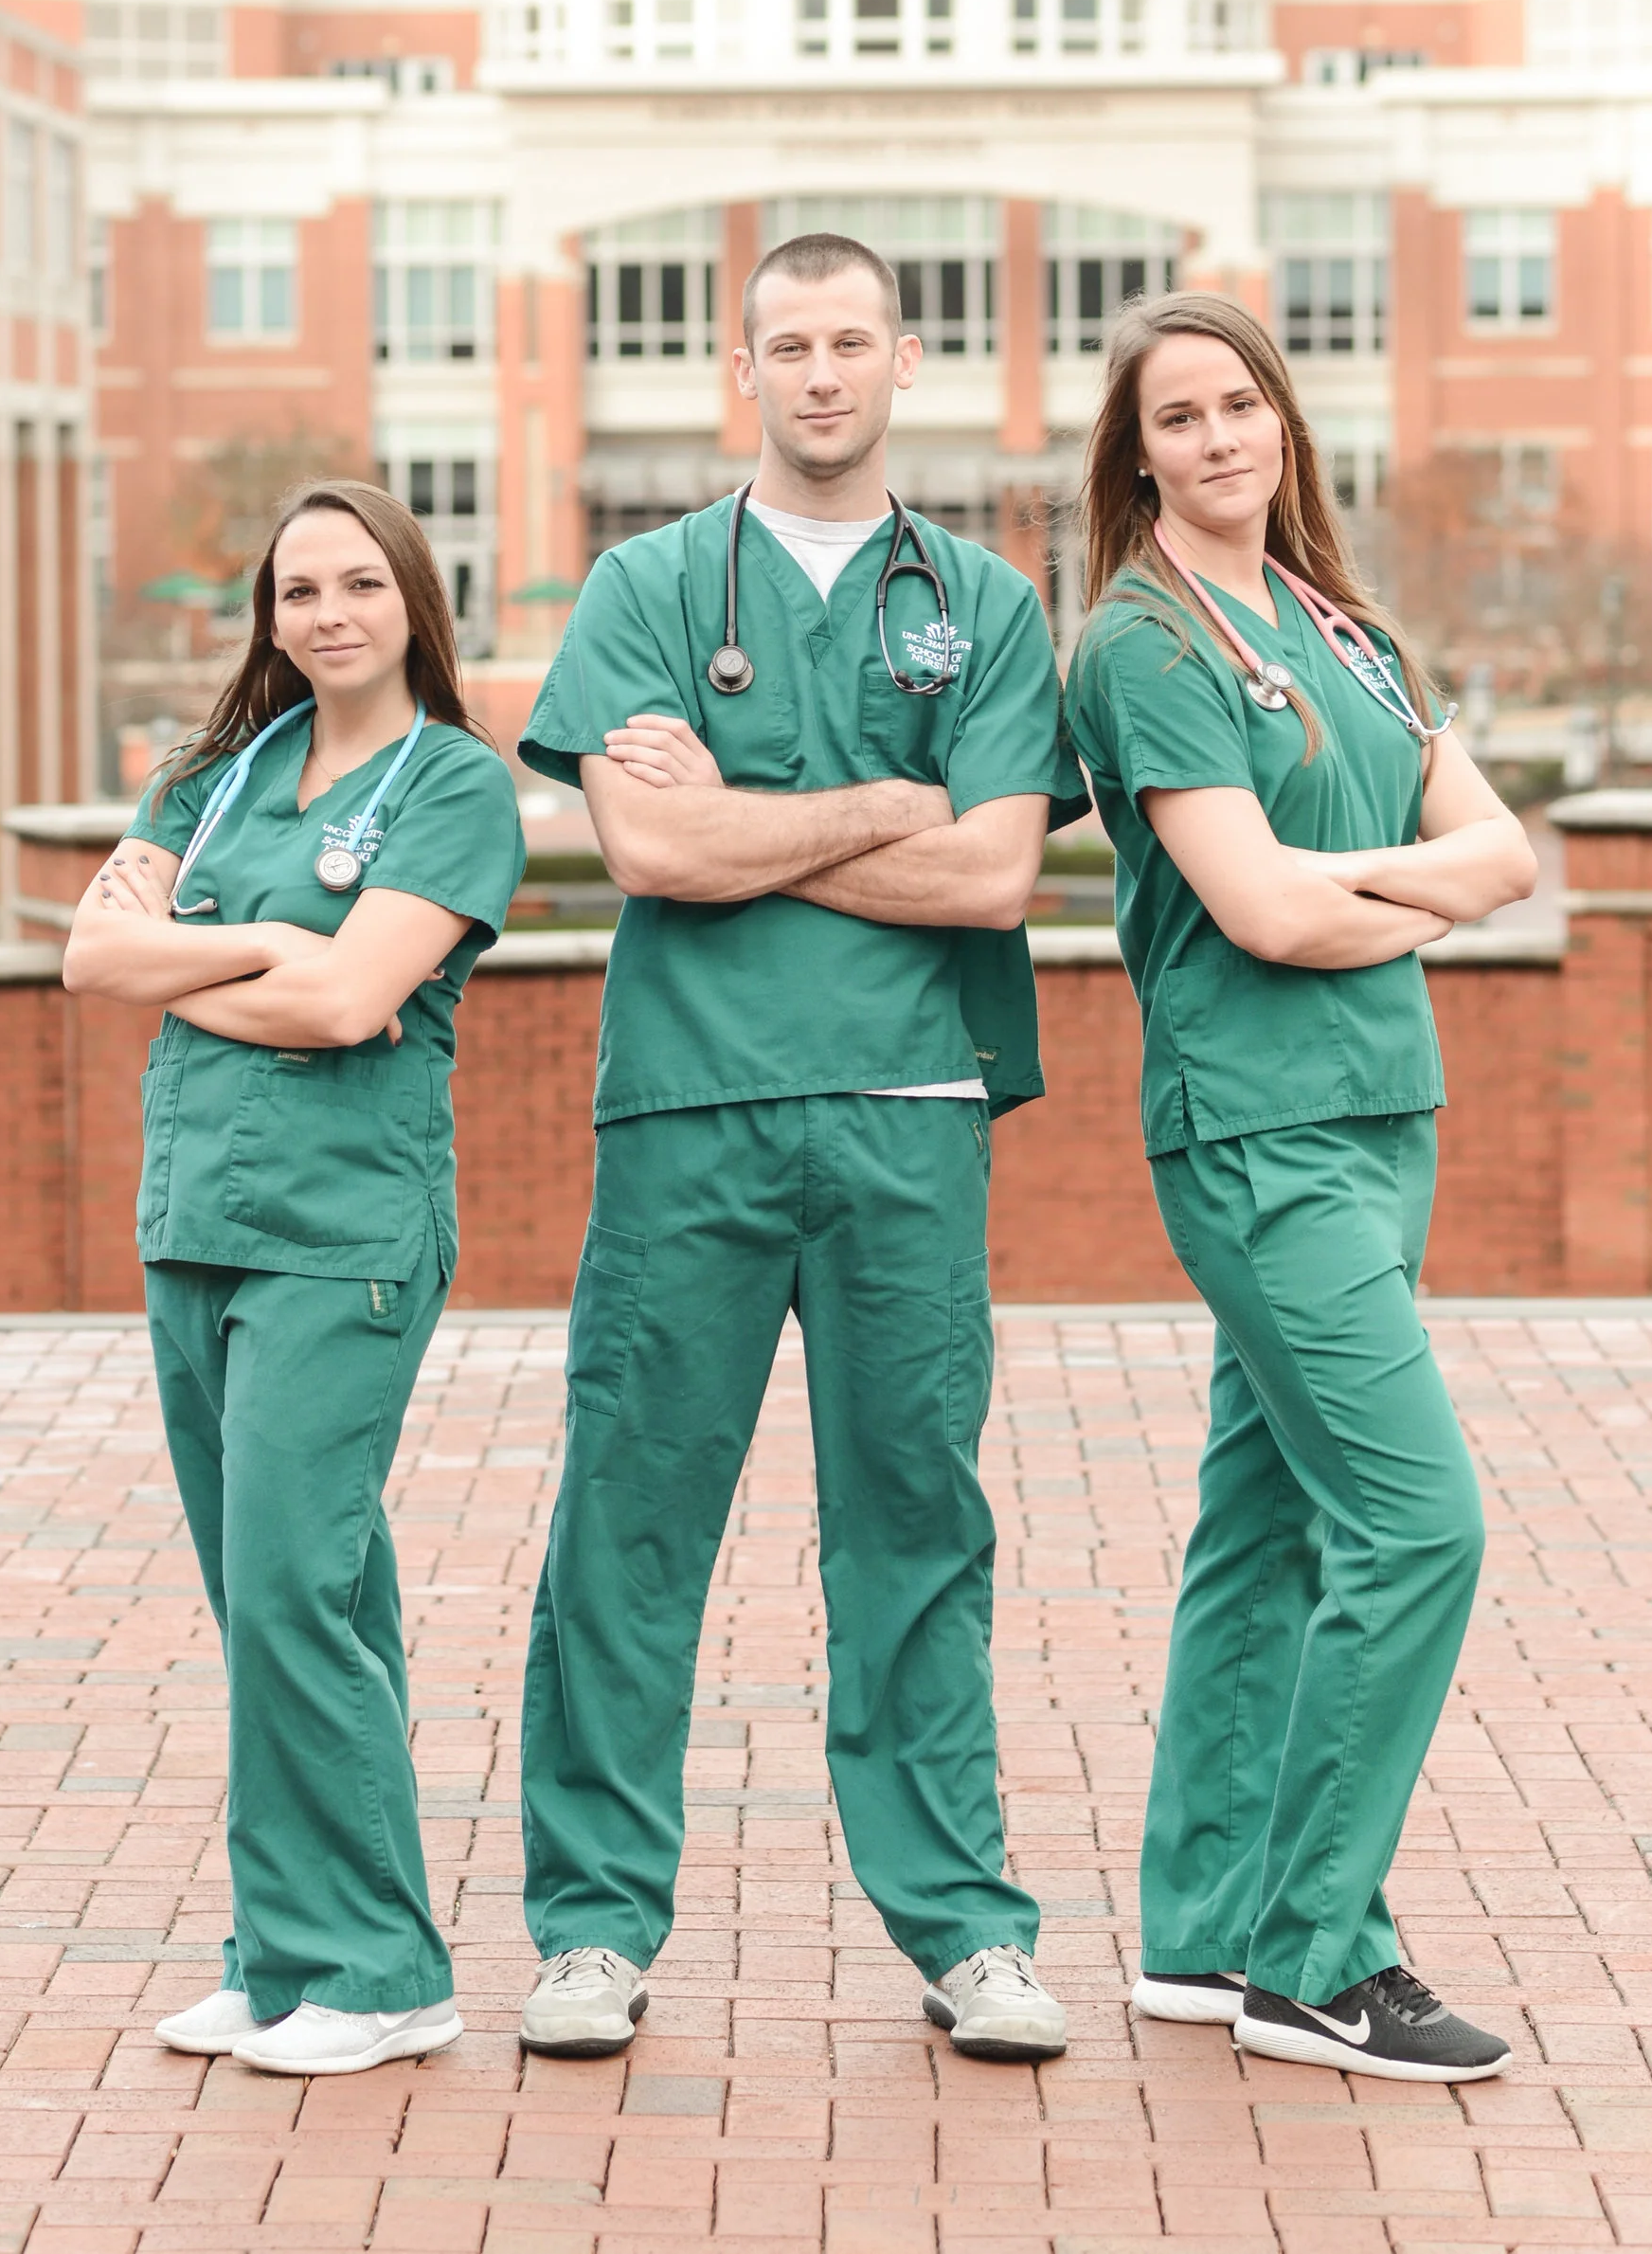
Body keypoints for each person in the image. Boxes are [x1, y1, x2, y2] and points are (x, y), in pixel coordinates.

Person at [511, 229, 1086, 2065]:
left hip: (911, 1121)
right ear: (735, 374)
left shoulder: (983, 605)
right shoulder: (650, 588)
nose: (819, 372)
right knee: (628, 1517)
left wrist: (754, 816)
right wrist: (878, 807)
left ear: (904, 362)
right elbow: (651, 859)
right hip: (687, 1114)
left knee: (914, 1521)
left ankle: (966, 1931)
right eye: (785, 345)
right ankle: (592, 1929)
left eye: (850, 341)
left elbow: (998, 870)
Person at [1061, 293, 1535, 2084]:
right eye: (1175, 418)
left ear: (1284, 425)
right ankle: (1318, 1956)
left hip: (1381, 1116)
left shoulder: (1345, 629)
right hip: (1257, 1135)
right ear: (1139, 458)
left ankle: (1200, 1936)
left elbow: (1518, 851)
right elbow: (1262, 913)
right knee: (1418, 1527)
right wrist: (1429, 887)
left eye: (1238, 404)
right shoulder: (1145, 646)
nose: (1215, 439)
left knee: (1265, 1532)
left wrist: (1384, 886)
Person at [63, 480, 525, 2080]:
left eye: (357, 585)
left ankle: (385, 1971)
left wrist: (200, 958)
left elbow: (351, 1011)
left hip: (343, 1243)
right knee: (288, 1603)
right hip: (192, 1225)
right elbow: (88, 958)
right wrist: (272, 958)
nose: (327, 616)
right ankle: (283, 1959)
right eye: (298, 592)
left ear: (412, 599)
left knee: (289, 1594)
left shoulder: (456, 787)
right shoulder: (219, 770)